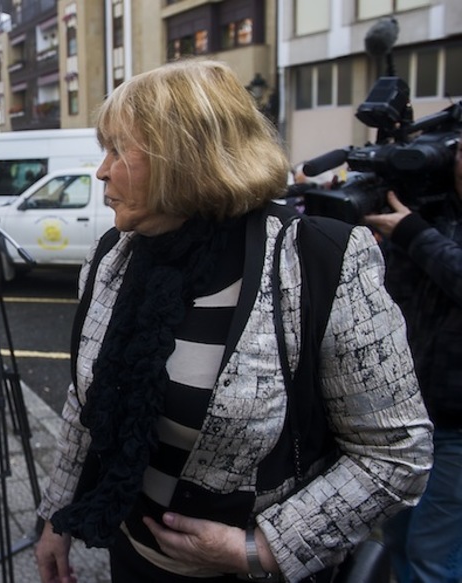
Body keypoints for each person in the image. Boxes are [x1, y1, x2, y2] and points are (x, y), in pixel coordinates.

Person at [33, 59, 434, 583]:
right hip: (131, 553)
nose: (101, 171)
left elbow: (396, 453)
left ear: (185, 158)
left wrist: (260, 549)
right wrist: (56, 518)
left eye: (118, 149)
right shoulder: (114, 255)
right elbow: (84, 403)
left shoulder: (319, 260)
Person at [365, 134, 462, 582]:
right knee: (400, 539)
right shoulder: (431, 213)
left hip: (458, 427)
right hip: (412, 415)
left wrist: (413, 233)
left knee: (432, 555)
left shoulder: (420, 227)